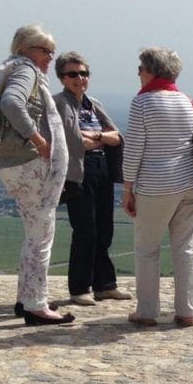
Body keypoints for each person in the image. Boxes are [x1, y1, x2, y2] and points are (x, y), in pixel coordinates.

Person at [122, 47, 193, 327]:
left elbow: (134, 149)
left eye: (140, 68)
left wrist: (128, 188)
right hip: (190, 184)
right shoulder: (188, 101)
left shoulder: (143, 103)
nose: (138, 73)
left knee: (147, 249)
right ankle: (187, 310)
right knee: (186, 249)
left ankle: (148, 311)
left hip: (155, 186)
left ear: (151, 71)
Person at [0, 24, 72, 325]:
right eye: (44, 50)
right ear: (25, 49)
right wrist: (37, 139)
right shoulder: (25, 70)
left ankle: (28, 297)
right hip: (30, 165)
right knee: (41, 236)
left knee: (33, 234)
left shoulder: (10, 68)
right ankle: (36, 305)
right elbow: (11, 103)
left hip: (14, 164)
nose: (50, 57)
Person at [52, 52, 129, 308]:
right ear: (62, 78)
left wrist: (93, 135)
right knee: (85, 229)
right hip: (78, 171)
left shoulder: (93, 104)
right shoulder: (59, 104)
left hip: (102, 167)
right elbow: (72, 141)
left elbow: (116, 136)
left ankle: (105, 285)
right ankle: (79, 287)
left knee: (104, 227)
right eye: (73, 74)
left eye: (84, 73)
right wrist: (98, 137)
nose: (80, 78)